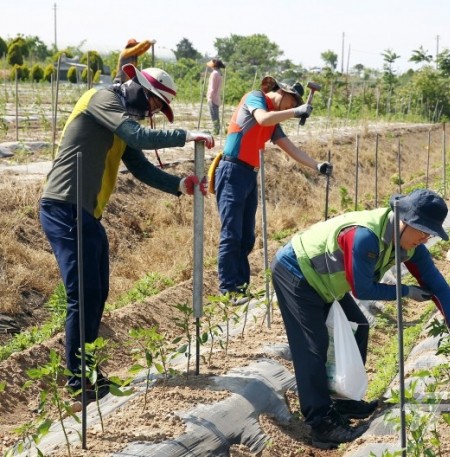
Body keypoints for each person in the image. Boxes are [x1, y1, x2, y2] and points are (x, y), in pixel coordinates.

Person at [40, 63, 214, 403]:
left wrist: (179, 184)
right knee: (82, 295)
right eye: (154, 105)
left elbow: (140, 165)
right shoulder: (102, 99)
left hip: (86, 214)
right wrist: (185, 135)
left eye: (157, 110)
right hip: (63, 207)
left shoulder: (119, 121)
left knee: (98, 291)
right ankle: (77, 381)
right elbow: (138, 136)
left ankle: (88, 370)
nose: (152, 113)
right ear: (141, 90)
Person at [270, 189, 450, 449]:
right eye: (421, 229)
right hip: (297, 271)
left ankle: (342, 401)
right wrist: (407, 291)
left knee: (359, 326)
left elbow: (439, 287)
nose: (424, 237)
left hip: (327, 282)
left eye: (430, 232)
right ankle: (321, 423)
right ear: (404, 218)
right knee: (313, 346)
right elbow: (363, 290)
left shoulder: (412, 246)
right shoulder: (365, 236)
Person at [211, 75, 332, 298]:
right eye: (292, 102)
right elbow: (263, 119)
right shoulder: (255, 99)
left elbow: (289, 147)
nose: (292, 107)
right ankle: (228, 290)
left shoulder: (274, 121)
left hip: (248, 175)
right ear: (282, 91)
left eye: (296, 105)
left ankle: (241, 288)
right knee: (231, 234)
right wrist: (296, 112)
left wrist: (317, 165)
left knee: (247, 237)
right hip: (232, 171)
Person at [206, 58, 226, 135]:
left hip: (213, 97)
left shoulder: (214, 73)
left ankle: (216, 130)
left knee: (214, 115)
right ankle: (216, 129)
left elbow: (213, 87)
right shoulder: (219, 73)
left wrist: (210, 97)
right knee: (215, 115)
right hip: (217, 97)